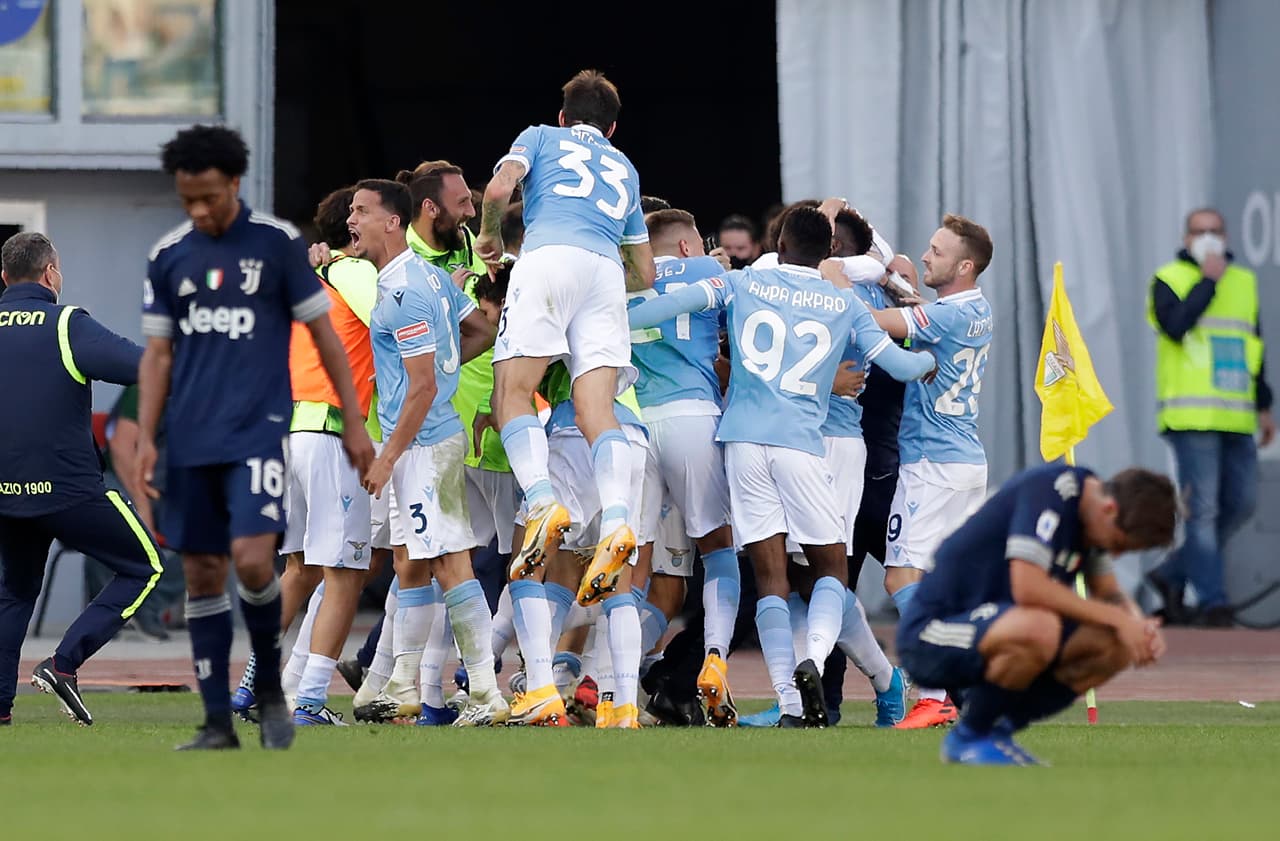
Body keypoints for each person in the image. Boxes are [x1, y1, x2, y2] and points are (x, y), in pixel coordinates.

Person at [628, 206, 936, 727]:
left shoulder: (744, 281)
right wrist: (935, 361)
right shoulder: (844, 299)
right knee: (827, 574)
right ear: (827, 252)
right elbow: (903, 364)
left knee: (775, 578)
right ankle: (814, 670)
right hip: (806, 443)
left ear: (781, 242)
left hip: (745, 441)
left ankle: (797, 699)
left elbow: (655, 310)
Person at [137, 125, 373, 751]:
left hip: (258, 434)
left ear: (234, 183)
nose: (199, 211)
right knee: (204, 571)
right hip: (190, 438)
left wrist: (353, 419)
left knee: (252, 560)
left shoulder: (277, 246)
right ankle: (218, 719)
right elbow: (158, 355)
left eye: (209, 197)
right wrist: (145, 434)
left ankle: (269, 683)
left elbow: (324, 336)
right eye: (187, 199)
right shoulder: (169, 256)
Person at [475, 68, 656, 623]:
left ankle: (542, 500)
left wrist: (487, 234)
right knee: (598, 409)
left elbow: (500, 189)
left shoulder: (538, 136)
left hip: (548, 258)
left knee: (513, 391)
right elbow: (645, 273)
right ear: (613, 127)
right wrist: (599, 274)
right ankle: (619, 518)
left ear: (563, 115)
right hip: (604, 271)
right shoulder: (625, 167)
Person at [349, 179, 508, 727]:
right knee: (409, 563)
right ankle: (401, 684)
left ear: (393, 221)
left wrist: (388, 455)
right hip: (423, 440)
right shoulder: (431, 279)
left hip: (420, 447)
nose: (352, 219)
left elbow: (419, 385)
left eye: (362, 211)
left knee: (450, 562)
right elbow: (481, 330)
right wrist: (444, 368)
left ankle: (486, 691)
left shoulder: (405, 292)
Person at [896, 464, 1176, 765]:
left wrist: (1137, 626)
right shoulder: (1049, 493)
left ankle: (997, 734)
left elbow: (1109, 594)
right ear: (1109, 509)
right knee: (1039, 626)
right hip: (931, 635)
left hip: (997, 629)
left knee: (1115, 646)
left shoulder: (1092, 515)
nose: (1116, 554)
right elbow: (1028, 588)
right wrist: (1120, 619)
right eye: (1119, 545)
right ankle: (969, 738)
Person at [0, 231, 162, 727]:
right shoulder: (67, 323)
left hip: (6, 493)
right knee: (144, 566)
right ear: (51, 274)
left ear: (4, 278)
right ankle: (64, 663)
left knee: (14, 591)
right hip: (69, 491)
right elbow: (142, 367)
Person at [859, 213, 995, 729]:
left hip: (931, 463)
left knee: (899, 575)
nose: (925, 256)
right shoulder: (974, 308)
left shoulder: (946, 317)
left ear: (964, 265)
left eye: (936, 251)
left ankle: (935, 692)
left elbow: (873, 325)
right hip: (963, 460)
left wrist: (825, 288)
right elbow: (925, 323)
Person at [627, 208, 741, 725]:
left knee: (634, 560)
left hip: (632, 421)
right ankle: (714, 660)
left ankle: (613, 682)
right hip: (692, 414)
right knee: (718, 548)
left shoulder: (626, 279)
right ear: (689, 246)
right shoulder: (710, 274)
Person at [1145, 207, 1275, 627]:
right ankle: (1213, 601)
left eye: (1216, 231)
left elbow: (1253, 347)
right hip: (1192, 416)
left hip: (1236, 416)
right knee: (1202, 512)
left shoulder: (1244, 282)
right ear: (1186, 238)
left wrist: (1264, 405)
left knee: (1240, 504)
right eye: (1200, 232)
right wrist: (1208, 281)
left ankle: (1170, 574)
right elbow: (1176, 326)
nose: (1209, 238)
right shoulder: (1168, 278)